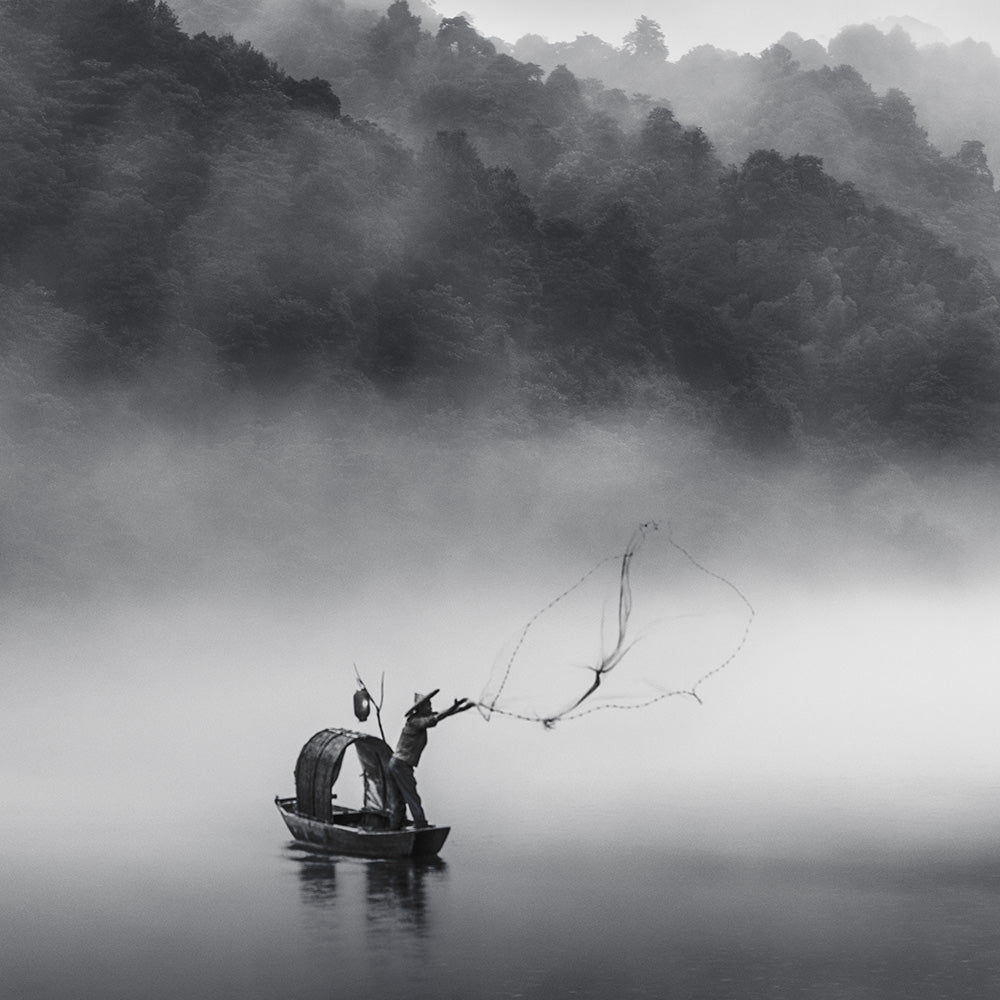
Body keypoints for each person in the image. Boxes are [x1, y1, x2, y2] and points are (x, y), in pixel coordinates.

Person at [387, 689, 474, 830]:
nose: (430, 707)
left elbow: (440, 714)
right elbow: (437, 718)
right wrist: (454, 707)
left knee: (399, 800)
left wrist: (461, 708)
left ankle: (394, 829)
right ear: (420, 708)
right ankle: (420, 825)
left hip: (396, 764)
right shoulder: (415, 722)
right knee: (410, 796)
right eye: (428, 704)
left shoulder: (420, 720)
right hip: (400, 764)